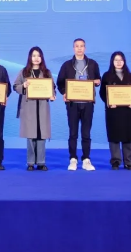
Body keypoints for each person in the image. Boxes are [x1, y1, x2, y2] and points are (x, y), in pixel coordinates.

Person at [56, 38, 101, 171]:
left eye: (82, 46)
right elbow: (60, 82)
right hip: (72, 104)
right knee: (73, 133)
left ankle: (86, 159)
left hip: (88, 103)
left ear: (85, 48)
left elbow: (98, 79)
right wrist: (64, 93)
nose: (79, 48)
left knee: (86, 133)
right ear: (73, 48)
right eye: (77, 46)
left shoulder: (92, 64)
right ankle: (73, 159)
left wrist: (97, 81)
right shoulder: (67, 65)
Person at [13, 46, 55, 171]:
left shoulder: (47, 72)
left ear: (42, 58)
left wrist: (52, 95)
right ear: (30, 58)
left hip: (42, 106)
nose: (36, 58)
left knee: (42, 135)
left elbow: (52, 87)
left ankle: (41, 162)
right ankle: (30, 162)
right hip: (29, 107)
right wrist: (23, 85)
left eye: (38, 55)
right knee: (30, 135)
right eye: (34, 56)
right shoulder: (24, 72)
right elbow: (15, 86)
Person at [99, 52, 131, 170]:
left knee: (128, 136)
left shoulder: (129, 76)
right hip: (113, 111)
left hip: (127, 111)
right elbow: (102, 93)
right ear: (112, 62)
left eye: (121, 60)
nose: (119, 62)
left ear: (124, 61)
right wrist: (109, 102)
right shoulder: (107, 76)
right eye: (116, 60)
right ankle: (115, 161)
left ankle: (128, 162)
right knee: (114, 136)